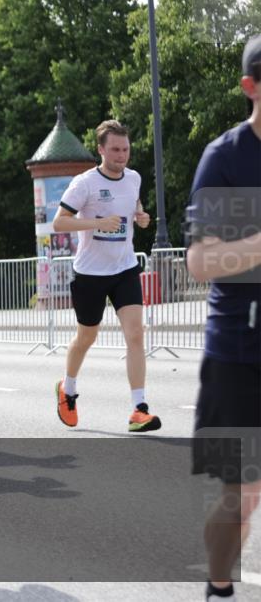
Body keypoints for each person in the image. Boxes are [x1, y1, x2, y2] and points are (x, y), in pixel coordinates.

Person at [185, 34, 261, 602]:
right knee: (244, 496)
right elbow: (202, 261)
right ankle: (218, 587)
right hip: (242, 352)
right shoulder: (229, 158)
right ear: (250, 87)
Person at [52, 120, 157, 432]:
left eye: (125, 149)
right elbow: (59, 223)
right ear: (101, 150)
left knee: (136, 334)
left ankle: (139, 408)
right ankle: (67, 389)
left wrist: (141, 217)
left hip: (124, 268)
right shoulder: (84, 183)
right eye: (115, 149)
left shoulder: (134, 178)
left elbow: (134, 208)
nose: (122, 155)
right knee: (87, 337)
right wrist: (96, 224)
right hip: (89, 273)